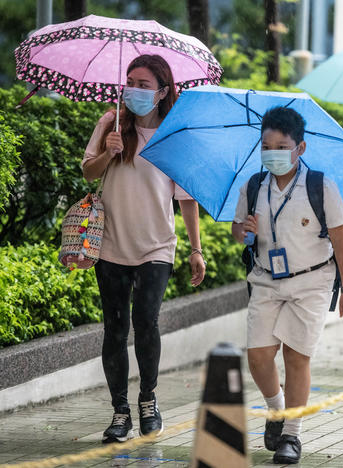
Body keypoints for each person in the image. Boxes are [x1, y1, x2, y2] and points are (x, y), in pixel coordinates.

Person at [82, 54, 206, 443]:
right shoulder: (111, 123)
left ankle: (148, 400)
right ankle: (120, 411)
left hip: (157, 246)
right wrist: (109, 151)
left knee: (146, 322)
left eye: (143, 84)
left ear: (163, 91)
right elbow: (88, 170)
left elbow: (186, 198)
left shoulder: (174, 135)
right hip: (111, 244)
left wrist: (196, 249)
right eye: (130, 81)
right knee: (115, 330)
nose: (133, 89)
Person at [231, 106, 343, 464]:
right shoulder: (254, 185)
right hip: (266, 280)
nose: (273, 152)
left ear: (299, 148)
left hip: (312, 281)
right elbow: (237, 230)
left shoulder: (321, 186)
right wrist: (245, 230)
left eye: (281, 146)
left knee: (296, 357)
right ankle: (277, 410)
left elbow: (341, 240)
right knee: (257, 357)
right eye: (266, 145)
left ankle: (292, 435)